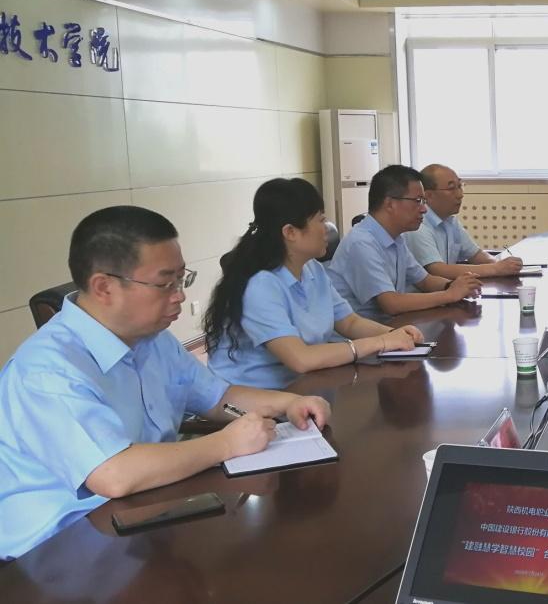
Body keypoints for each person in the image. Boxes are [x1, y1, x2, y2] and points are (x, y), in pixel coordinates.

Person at [0, 206, 331, 559]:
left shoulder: (151, 338)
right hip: (56, 551)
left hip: (142, 514)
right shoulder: (47, 370)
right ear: (104, 287)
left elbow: (219, 397)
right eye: (165, 283)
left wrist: (288, 403)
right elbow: (114, 474)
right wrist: (227, 443)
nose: (180, 295)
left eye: (182, 278)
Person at [204, 178, 425, 389]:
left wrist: (394, 334)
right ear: (290, 232)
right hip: (248, 400)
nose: (327, 228)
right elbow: (301, 359)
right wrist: (380, 343)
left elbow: (349, 322)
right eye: (320, 219)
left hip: (300, 387)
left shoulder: (313, 269)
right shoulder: (261, 286)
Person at [327, 165, 482, 321]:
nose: (424, 209)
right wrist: (449, 295)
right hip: (364, 332)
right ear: (390, 204)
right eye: (418, 201)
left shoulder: (396, 238)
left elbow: (425, 281)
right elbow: (391, 303)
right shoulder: (361, 243)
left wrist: (454, 286)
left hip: (391, 325)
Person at [405, 164, 523, 278]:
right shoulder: (418, 224)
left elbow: (476, 255)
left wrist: (501, 265)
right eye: (451, 188)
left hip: (447, 288)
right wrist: (495, 269)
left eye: (460, 186)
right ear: (428, 195)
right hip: (426, 291)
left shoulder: (450, 220)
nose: (460, 194)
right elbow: (437, 270)